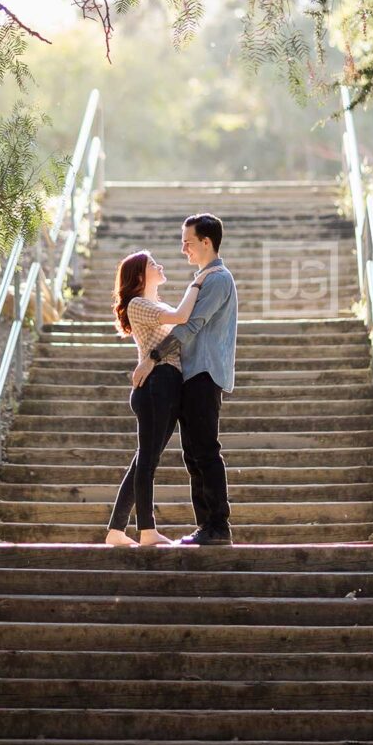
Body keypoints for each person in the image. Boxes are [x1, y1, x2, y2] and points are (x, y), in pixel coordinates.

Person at [134, 213, 238, 547]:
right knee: (192, 452)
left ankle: (217, 526)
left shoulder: (218, 279)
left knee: (205, 450)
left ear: (206, 242)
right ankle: (205, 525)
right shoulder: (204, 279)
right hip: (191, 375)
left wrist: (152, 358)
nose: (183, 249)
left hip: (204, 374)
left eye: (188, 242)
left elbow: (189, 327)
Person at [105, 251, 220, 546]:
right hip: (156, 384)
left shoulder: (158, 305)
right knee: (146, 459)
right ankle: (146, 530)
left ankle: (116, 531)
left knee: (145, 458)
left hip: (168, 384)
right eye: (153, 265)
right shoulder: (138, 304)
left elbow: (185, 323)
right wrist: (199, 282)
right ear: (141, 276)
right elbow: (183, 317)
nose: (161, 266)